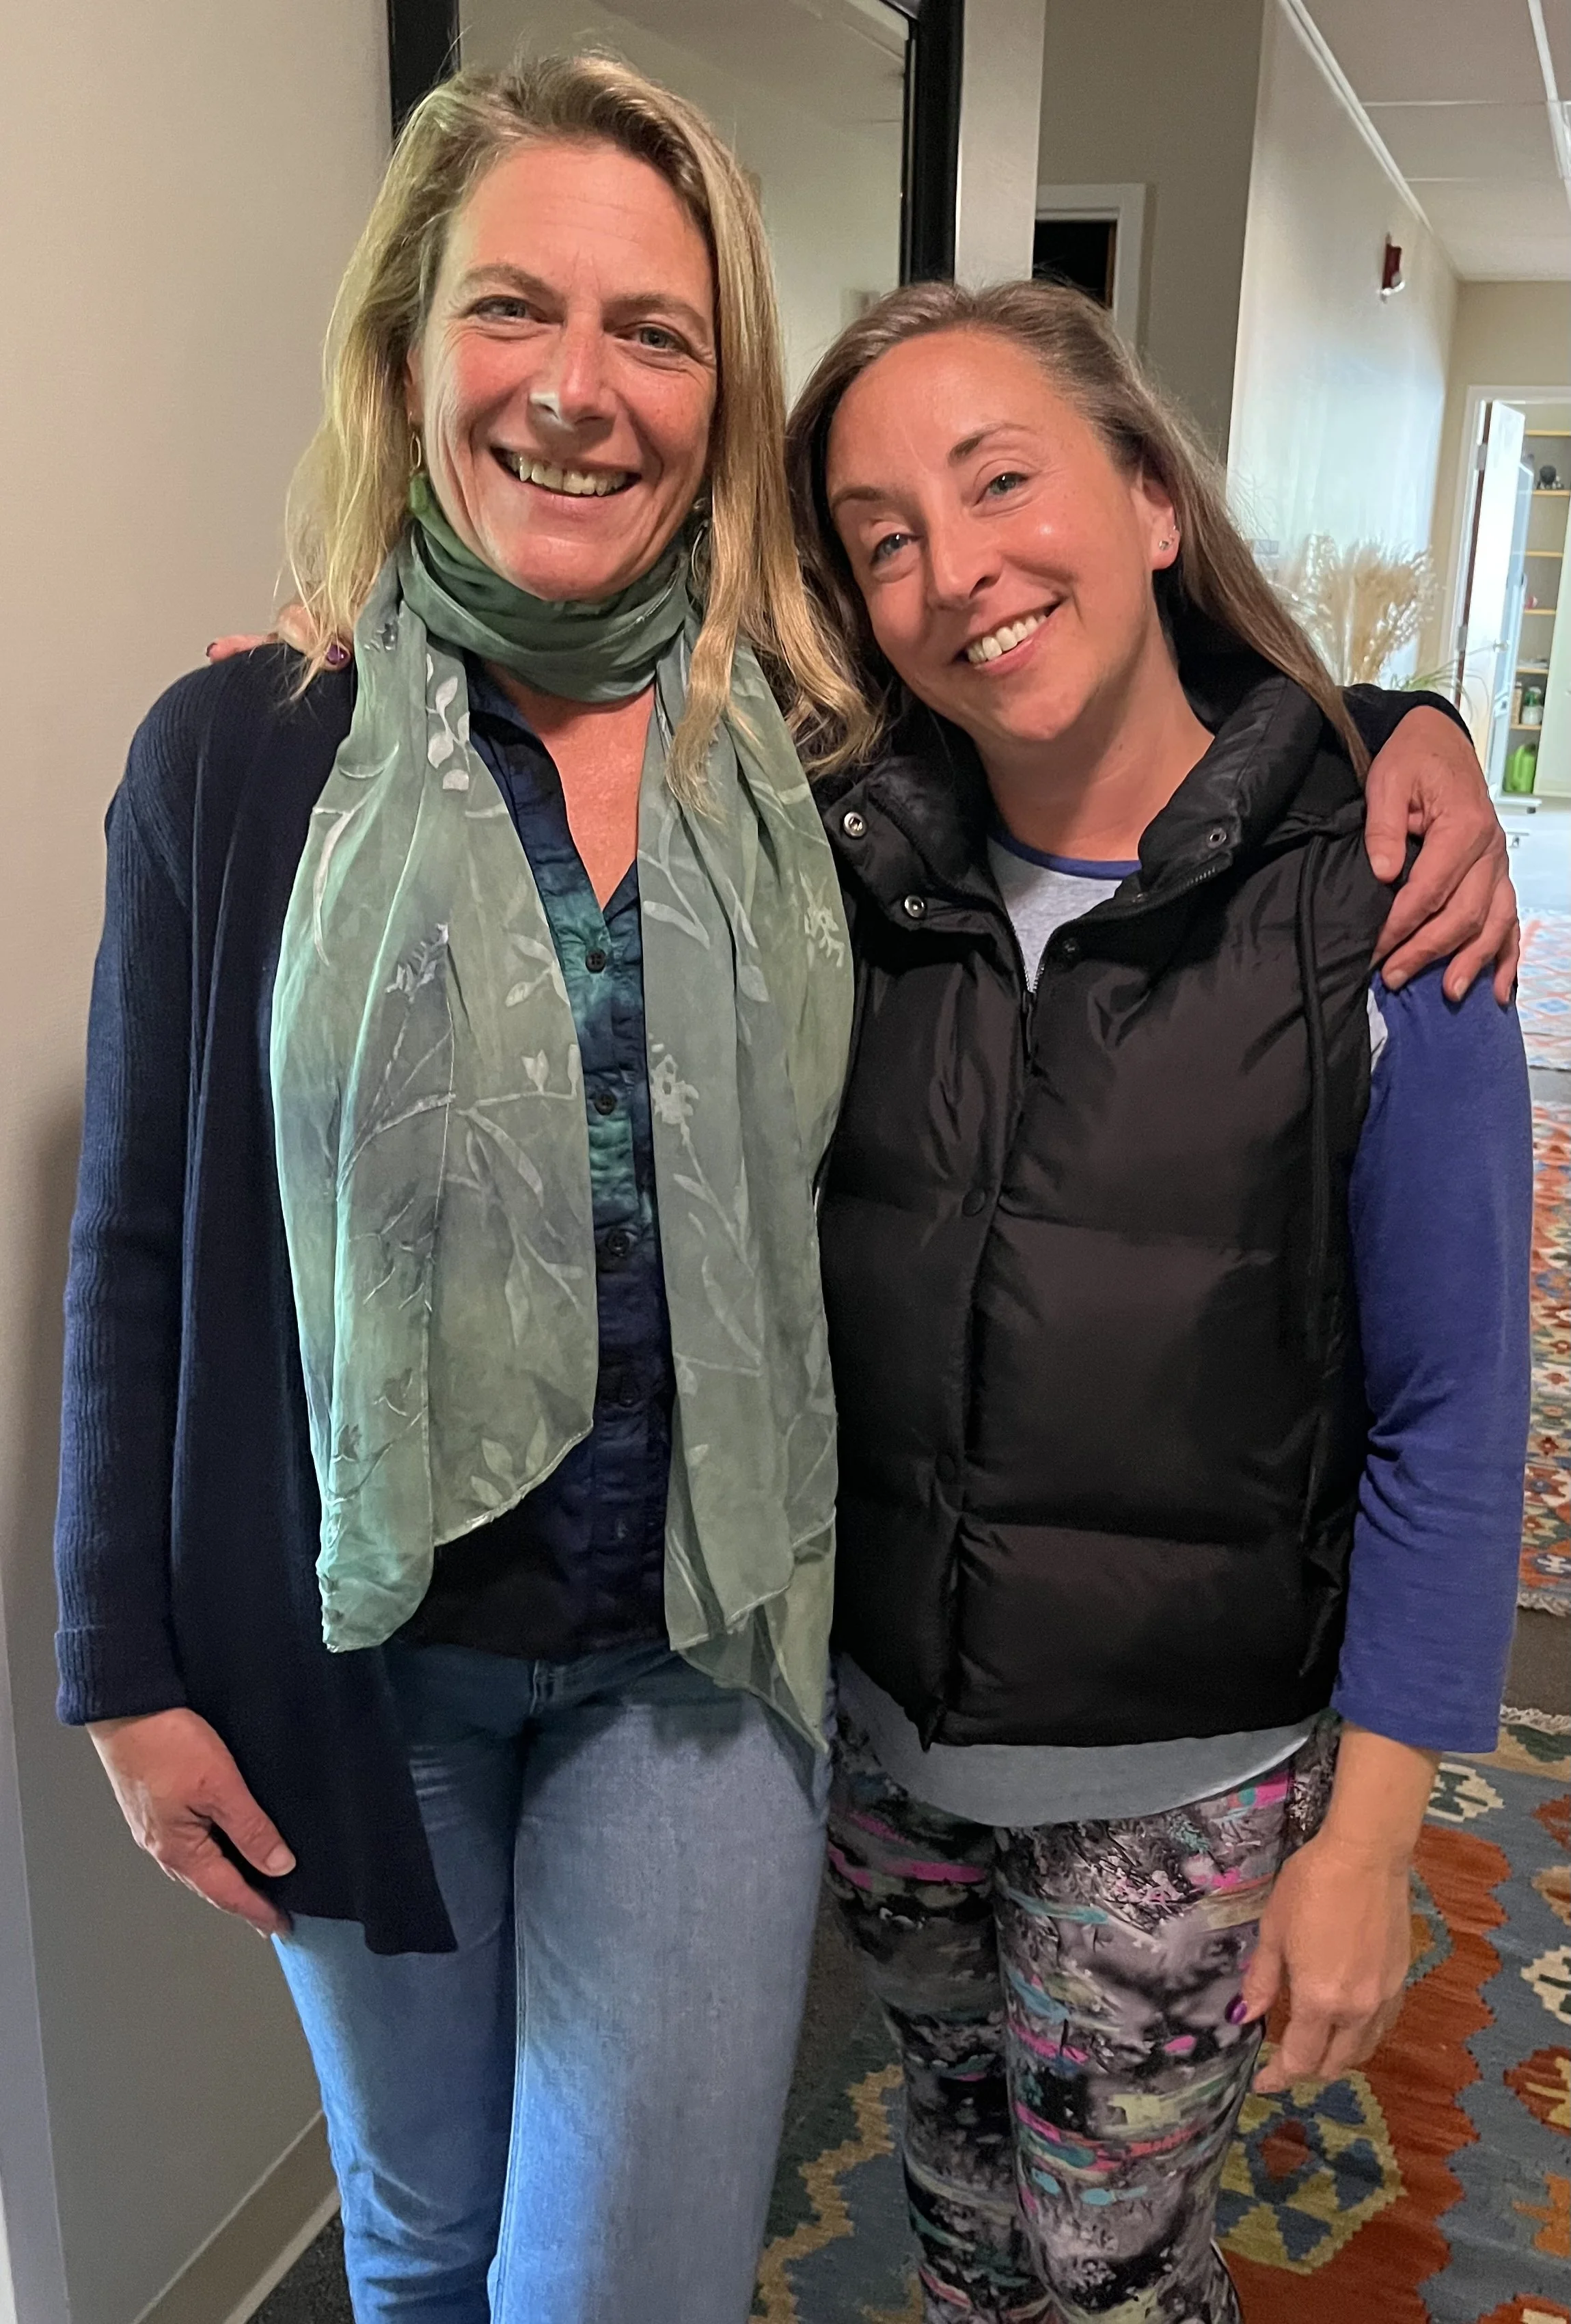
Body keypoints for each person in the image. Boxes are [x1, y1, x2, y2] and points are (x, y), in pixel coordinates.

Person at [61, 53, 1509, 2324]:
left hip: (713, 1661)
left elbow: (1119, 675)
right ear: (405, 347)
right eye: (513, 313)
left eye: (655, 333)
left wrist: (1405, 728)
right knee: (422, 2227)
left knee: (625, 2275)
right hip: (356, 1649)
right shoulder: (259, 755)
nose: (577, 389)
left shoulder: (803, 739)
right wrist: (116, 1665)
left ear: (713, 395)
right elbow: (141, 1236)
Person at [784, 278, 1531, 2324]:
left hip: (1181, 1783)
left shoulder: (1387, 894)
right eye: (884, 535)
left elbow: (1455, 1417)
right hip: (888, 1747)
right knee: (956, 2218)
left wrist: (1369, 1841)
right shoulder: (837, 880)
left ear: (1150, 499)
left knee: (1115, 2273)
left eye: (1001, 479)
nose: (957, 570)